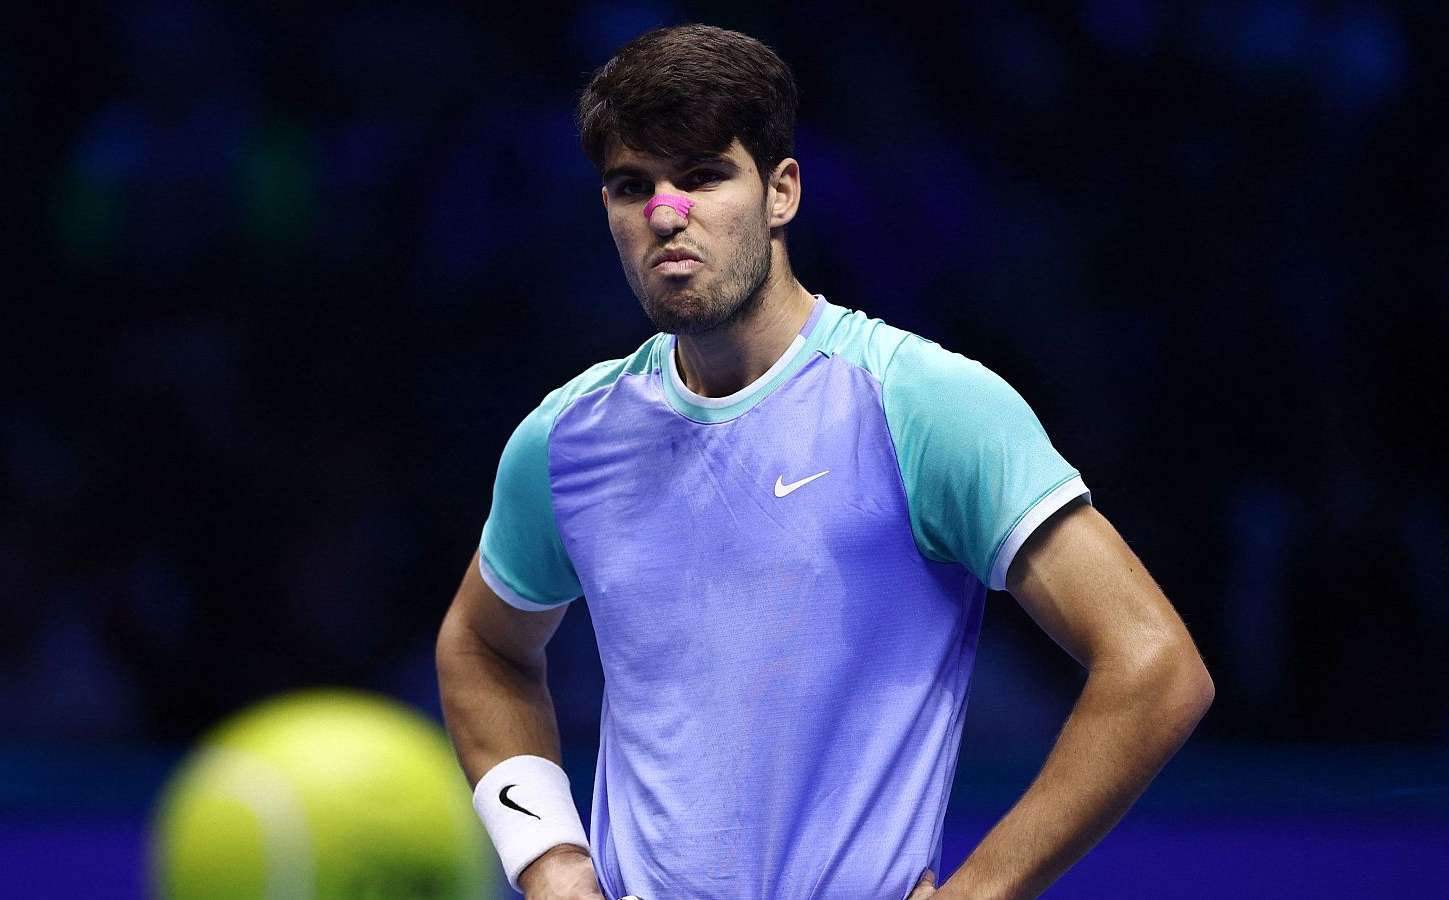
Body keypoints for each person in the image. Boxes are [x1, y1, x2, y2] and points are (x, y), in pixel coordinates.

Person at [435, 23, 1213, 900]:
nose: (665, 213)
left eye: (701, 175)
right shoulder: (566, 439)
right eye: (631, 186)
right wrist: (549, 859)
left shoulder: (919, 401)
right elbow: (481, 647)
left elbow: (1154, 666)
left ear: (781, 192)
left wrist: (980, 891)